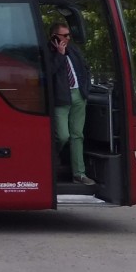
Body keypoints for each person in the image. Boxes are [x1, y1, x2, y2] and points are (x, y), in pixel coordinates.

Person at [48, 21, 94, 185]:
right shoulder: (48, 52)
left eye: (69, 35)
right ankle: (52, 161)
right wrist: (59, 54)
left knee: (77, 136)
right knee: (62, 135)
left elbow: (85, 69)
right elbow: (49, 72)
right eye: (64, 35)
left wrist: (85, 90)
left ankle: (79, 174)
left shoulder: (74, 50)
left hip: (78, 95)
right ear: (54, 36)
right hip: (61, 97)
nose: (68, 38)